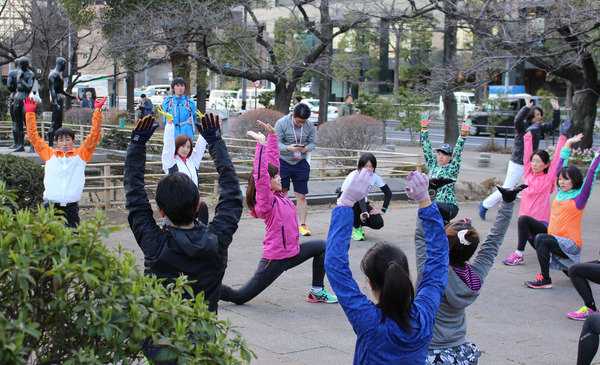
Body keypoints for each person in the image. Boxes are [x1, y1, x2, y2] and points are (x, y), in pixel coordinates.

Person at [325, 170, 449, 363]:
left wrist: (345, 203)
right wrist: (425, 202)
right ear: (407, 274)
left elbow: (335, 265)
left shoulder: (368, 321)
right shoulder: (424, 315)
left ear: (369, 283)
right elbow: (438, 262)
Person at [125, 112, 242, 313]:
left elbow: (135, 197)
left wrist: (136, 145)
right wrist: (215, 140)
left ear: (160, 211)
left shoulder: (155, 245)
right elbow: (232, 195)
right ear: (198, 206)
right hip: (205, 335)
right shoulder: (217, 241)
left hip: (163, 335)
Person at [220, 120, 337, 305]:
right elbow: (261, 175)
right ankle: (205, 286)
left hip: (293, 252)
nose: (279, 178)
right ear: (268, 182)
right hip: (275, 259)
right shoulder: (267, 201)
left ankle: (317, 291)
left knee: (322, 246)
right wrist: (261, 144)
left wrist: (273, 137)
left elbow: (273, 164)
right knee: (240, 297)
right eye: (275, 177)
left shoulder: (279, 195)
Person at [415, 184, 526, 364]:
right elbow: (493, 243)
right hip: (459, 352)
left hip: (427, 350)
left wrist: (428, 196)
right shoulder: (474, 276)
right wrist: (507, 203)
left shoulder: (432, 272)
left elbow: (421, 236)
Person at [525, 134, 600, 289]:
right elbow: (560, 167)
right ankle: (593, 266)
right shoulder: (561, 193)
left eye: (566, 179)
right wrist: (568, 144)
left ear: (574, 180)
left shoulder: (580, 196)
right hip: (557, 240)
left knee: (541, 238)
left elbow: (592, 172)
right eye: (560, 179)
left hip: (571, 243)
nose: (561, 182)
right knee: (574, 271)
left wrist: (598, 155)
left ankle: (545, 279)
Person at [23, 96, 106, 228]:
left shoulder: (80, 155)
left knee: (72, 239)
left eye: (67, 140)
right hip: (51, 205)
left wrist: (97, 111)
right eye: (61, 140)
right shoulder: (49, 154)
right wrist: (29, 114)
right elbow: (33, 138)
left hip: (71, 207)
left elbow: (94, 136)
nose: (65, 143)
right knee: (49, 241)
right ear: (57, 142)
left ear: (73, 141)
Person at [479, 97, 561, 220]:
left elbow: (553, 125)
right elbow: (517, 120)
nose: (540, 117)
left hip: (531, 165)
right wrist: (526, 107)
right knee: (507, 188)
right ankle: (485, 205)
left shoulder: (539, 127)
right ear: (531, 115)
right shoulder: (523, 126)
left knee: (533, 189)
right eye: (538, 114)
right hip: (517, 163)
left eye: (541, 115)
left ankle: (532, 214)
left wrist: (556, 110)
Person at [502, 121, 570, 266]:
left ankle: (519, 254)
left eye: (538, 162)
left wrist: (562, 136)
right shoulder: (528, 174)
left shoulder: (549, 176)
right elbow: (527, 154)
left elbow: (558, 156)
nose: (534, 164)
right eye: (533, 161)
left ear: (546, 164)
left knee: (525, 221)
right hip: (526, 224)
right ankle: (559, 258)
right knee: (544, 251)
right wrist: (527, 135)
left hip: (541, 223)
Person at [157, 107, 209, 224]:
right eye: (183, 146)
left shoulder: (192, 161)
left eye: (188, 147)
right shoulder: (171, 162)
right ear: (177, 146)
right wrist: (170, 125)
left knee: (203, 209)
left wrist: (205, 126)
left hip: (192, 204)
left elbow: (201, 146)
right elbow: (168, 146)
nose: (186, 150)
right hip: (175, 205)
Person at [421, 114, 471, 223]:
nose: (441, 157)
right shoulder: (433, 165)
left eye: (444, 154)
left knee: (435, 207)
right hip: (435, 204)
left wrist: (463, 134)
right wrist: (424, 130)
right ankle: (460, 223)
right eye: (439, 154)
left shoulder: (452, 167)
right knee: (427, 210)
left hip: (449, 206)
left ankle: (452, 225)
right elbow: (427, 150)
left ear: (450, 157)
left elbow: (458, 151)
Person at [275, 102, 315, 236]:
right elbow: (276, 142)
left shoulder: (309, 125)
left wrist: (307, 148)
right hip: (284, 161)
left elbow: (313, 142)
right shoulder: (281, 123)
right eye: (298, 122)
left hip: (301, 161)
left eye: (303, 122)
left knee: (301, 195)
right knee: (282, 193)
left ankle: (302, 225)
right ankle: (283, 224)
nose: (300, 124)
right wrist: (288, 148)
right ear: (293, 115)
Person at [339, 153, 392, 241]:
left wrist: (383, 210)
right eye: (365, 166)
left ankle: (357, 223)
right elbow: (359, 195)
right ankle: (356, 228)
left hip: (362, 201)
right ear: (360, 166)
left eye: (370, 166)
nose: (368, 169)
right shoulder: (356, 175)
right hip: (346, 203)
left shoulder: (375, 175)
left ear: (374, 167)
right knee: (355, 203)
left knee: (378, 222)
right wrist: (364, 212)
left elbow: (388, 192)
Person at [48, 57, 76, 148]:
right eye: (65, 65)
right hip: (56, 99)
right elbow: (52, 90)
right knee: (54, 122)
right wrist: (55, 102)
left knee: (59, 123)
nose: (65, 67)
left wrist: (69, 95)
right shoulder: (54, 74)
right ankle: (51, 144)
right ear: (62, 64)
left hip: (59, 99)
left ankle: (58, 143)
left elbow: (60, 90)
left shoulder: (58, 74)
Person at [12, 56, 35, 152]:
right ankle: (21, 144)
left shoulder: (30, 74)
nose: (20, 66)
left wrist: (21, 79)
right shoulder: (18, 72)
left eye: (22, 65)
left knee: (28, 122)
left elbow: (29, 87)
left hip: (25, 98)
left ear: (26, 65)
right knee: (18, 123)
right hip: (17, 98)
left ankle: (32, 145)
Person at [7, 58, 21, 149]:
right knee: (25, 122)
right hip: (23, 97)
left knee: (15, 122)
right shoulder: (27, 73)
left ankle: (17, 143)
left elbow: (9, 86)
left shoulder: (12, 73)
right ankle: (23, 144)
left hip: (14, 96)